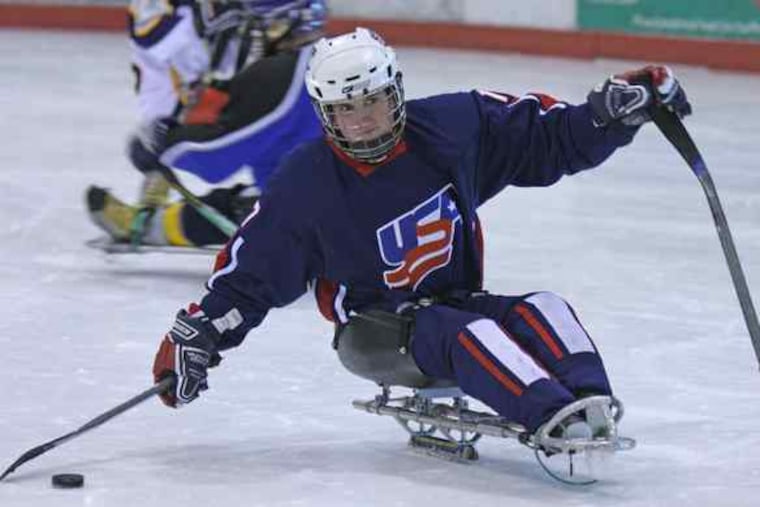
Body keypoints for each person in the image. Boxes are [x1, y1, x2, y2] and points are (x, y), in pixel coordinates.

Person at [150, 28, 691, 440]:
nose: (361, 120)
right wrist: (198, 337)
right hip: (373, 331)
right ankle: (553, 418)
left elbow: (549, 140)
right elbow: (252, 277)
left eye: (372, 102)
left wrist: (612, 114)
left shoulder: (455, 128)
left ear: (396, 92)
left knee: (543, 307)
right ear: (324, 111)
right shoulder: (306, 183)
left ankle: (590, 408)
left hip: (455, 304)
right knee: (468, 335)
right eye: (345, 108)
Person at [86, 0, 326, 247]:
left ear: (280, 25)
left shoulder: (285, 75)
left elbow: (215, 158)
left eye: (257, 25)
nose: (248, 34)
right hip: (355, 213)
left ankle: (149, 226)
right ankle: (150, 223)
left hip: (341, 230)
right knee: (273, 194)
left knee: (258, 209)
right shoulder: (324, 60)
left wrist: (161, 145)